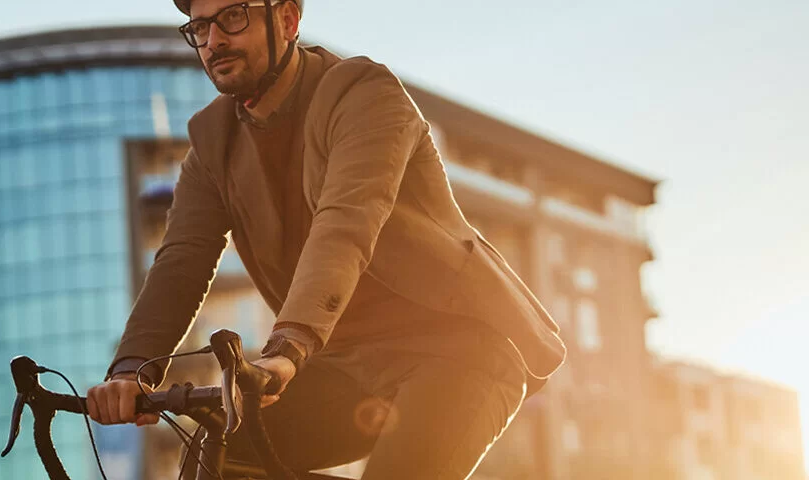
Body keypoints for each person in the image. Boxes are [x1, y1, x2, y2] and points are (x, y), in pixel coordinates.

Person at [84, 0, 568, 478]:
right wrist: (132, 371)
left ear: (288, 19)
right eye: (200, 27)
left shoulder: (364, 94)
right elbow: (181, 262)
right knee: (221, 461)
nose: (214, 41)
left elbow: (346, 222)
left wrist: (287, 347)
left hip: (459, 347)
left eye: (233, 17)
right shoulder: (213, 142)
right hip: (348, 364)